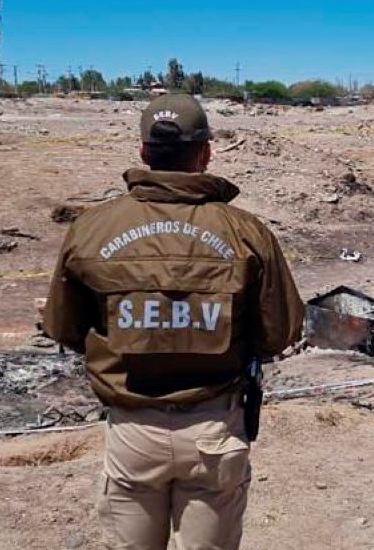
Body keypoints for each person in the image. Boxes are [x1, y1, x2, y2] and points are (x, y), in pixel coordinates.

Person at [44, 93, 304, 550]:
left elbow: (64, 327)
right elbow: (279, 334)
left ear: (144, 151)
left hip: (131, 429)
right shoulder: (247, 232)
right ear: (205, 153)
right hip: (214, 429)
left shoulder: (92, 228)